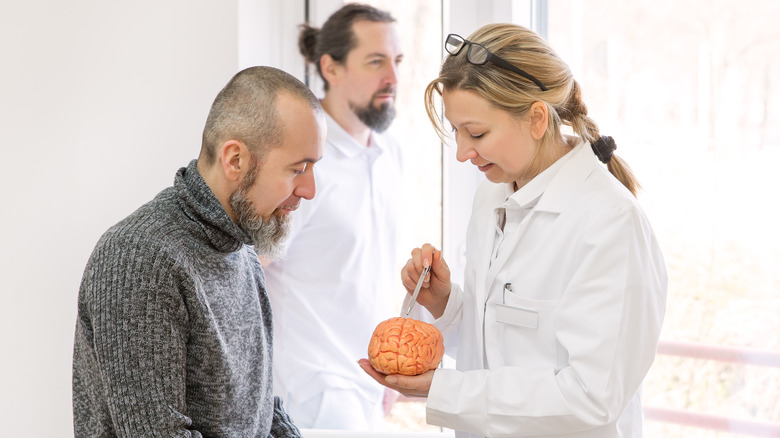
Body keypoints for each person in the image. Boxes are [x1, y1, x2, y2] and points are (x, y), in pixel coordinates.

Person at [359, 23, 668, 438]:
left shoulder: (609, 223)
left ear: (537, 118)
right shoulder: (493, 197)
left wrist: (444, 390)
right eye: (457, 131)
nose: (463, 153)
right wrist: (447, 303)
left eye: (478, 133)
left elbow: (593, 399)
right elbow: (504, 346)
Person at [72, 66, 326, 437]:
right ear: (235, 160)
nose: (309, 190)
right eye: (298, 169)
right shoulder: (141, 257)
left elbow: (259, 410)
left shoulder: (241, 249)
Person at [261, 3, 404, 430]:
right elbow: (244, 270)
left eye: (396, 62)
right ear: (331, 68)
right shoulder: (302, 160)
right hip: (309, 393)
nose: (393, 78)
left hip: (371, 388)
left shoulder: (390, 152)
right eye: (376, 61)